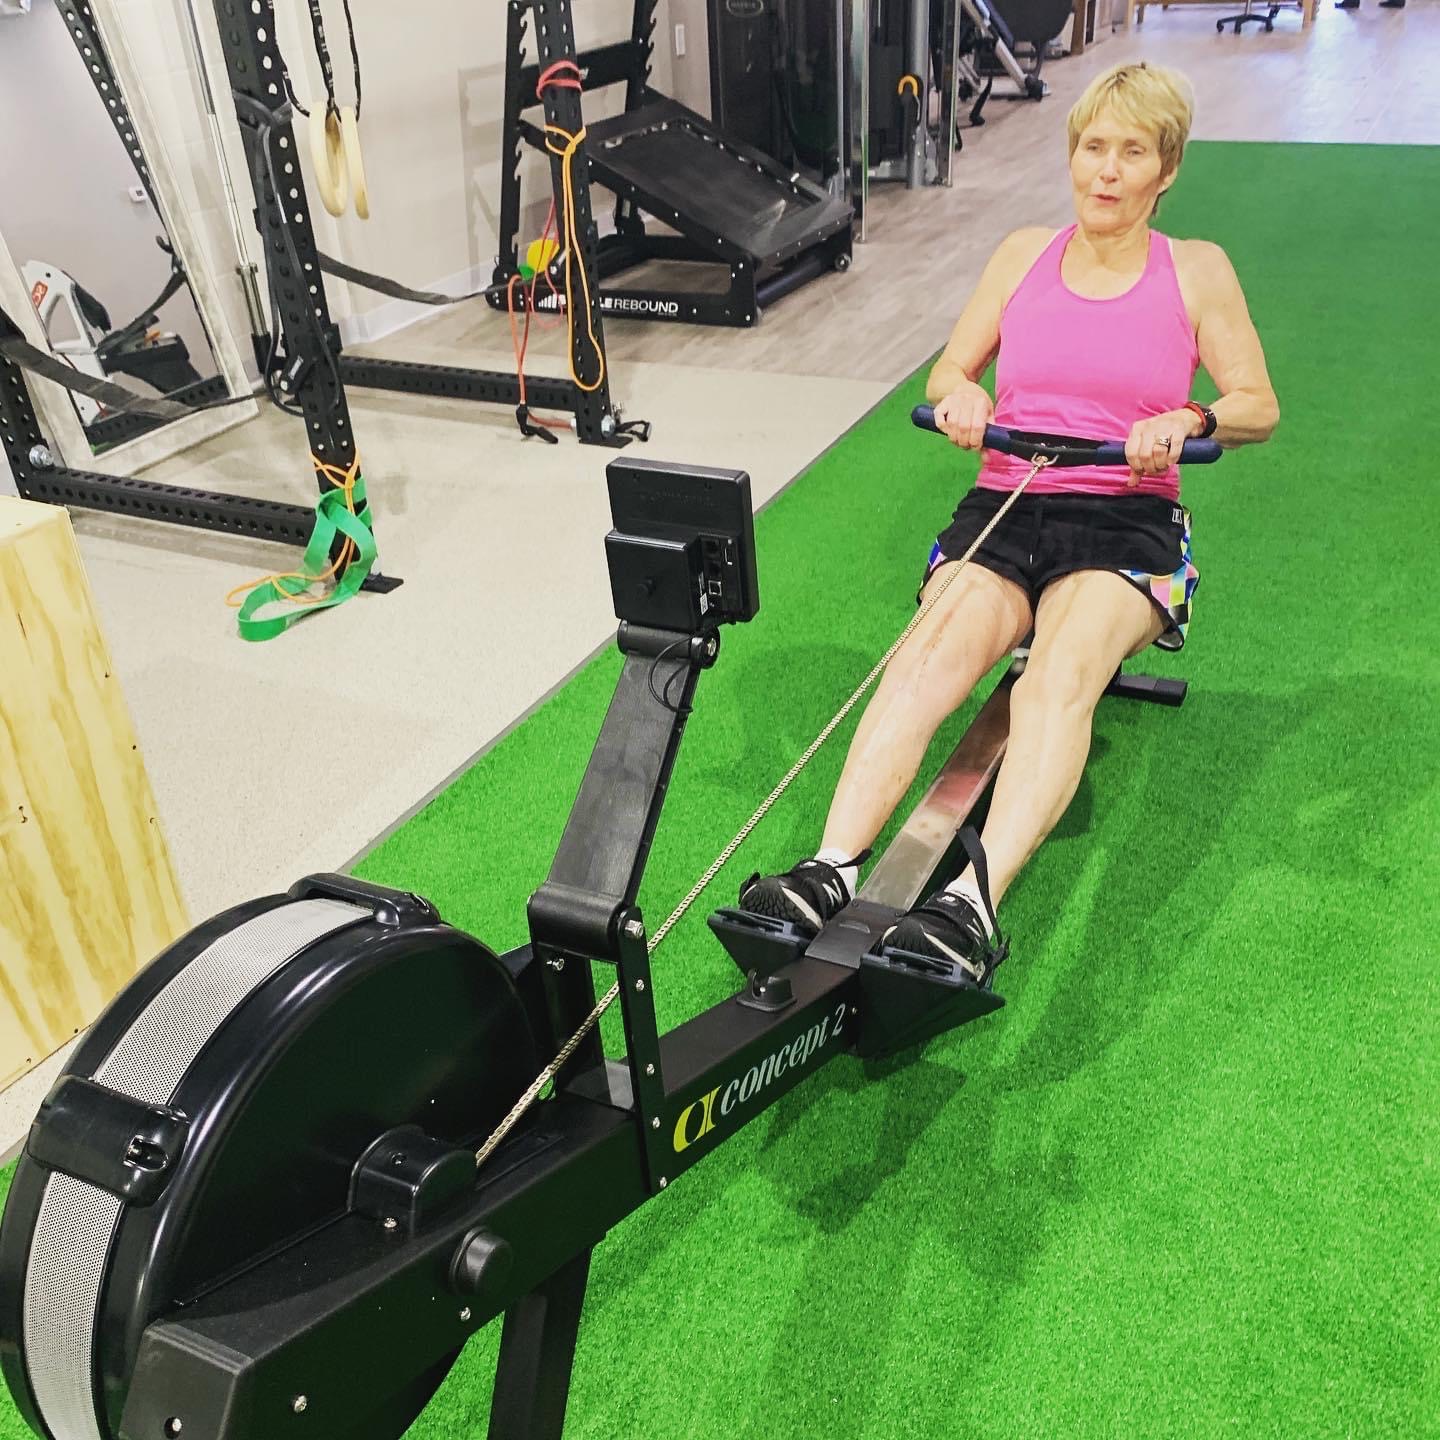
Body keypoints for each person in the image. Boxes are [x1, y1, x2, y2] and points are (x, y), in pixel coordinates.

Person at [738, 61, 1279, 983]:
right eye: (1093, 148)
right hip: (1007, 502)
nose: (1106, 171)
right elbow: (947, 375)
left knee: (1055, 680)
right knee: (923, 660)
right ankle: (828, 869)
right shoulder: (1023, 252)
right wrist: (963, 403)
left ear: (1167, 169)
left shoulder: (1195, 269)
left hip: (1124, 519)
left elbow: (1256, 404)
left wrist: (1188, 419)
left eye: (1132, 152)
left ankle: (969, 908)